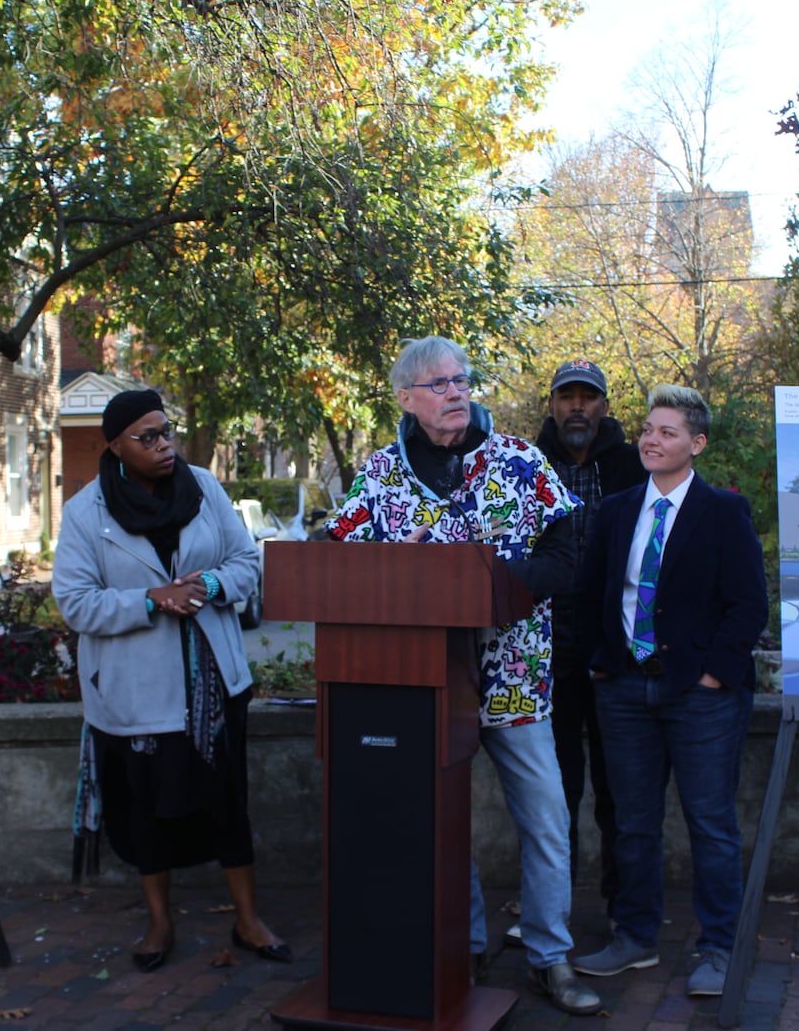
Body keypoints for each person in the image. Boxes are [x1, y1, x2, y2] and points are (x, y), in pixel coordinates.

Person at [326, 336, 601, 1017]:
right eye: (439, 383)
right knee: (440, 817)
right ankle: (465, 943)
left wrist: (504, 586)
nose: (455, 391)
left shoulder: (518, 460)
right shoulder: (383, 473)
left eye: (462, 379)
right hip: (423, 680)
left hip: (513, 673)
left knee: (544, 816)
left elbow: (567, 547)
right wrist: (399, 564)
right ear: (406, 398)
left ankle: (549, 955)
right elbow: (334, 558)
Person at [52, 388, 289, 973]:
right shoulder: (86, 513)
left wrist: (208, 587)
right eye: (148, 437)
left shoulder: (204, 487)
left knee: (229, 802)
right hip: (136, 691)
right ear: (114, 447)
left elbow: (245, 563)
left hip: (214, 680)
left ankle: (247, 917)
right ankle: (159, 923)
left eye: (167, 432)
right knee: (147, 810)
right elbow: (76, 604)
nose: (164, 446)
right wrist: (151, 599)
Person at [570, 384, 767, 997]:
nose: (651, 441)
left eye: (668, 432)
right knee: (631, 822)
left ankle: (718, 948)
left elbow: (748, 606)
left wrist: (713, 674)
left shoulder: (723, 512)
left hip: (700, 696)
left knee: (710, 823)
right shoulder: (618, 509)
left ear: (696, 444)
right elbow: (590, 593)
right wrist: (602, 663)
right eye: (648, 430)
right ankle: (633, 938)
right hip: (625, 691)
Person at [530, 360, 645, 930]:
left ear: (603, 406)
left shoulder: (632, 465)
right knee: (556, 784)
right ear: (552, 405)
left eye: (588, 398)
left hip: (614, 643)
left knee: (617, 784)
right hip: (548, 641)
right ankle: (557, 905)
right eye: (566, 396)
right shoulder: (527, 464)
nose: (577, 407)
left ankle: (623, 906)